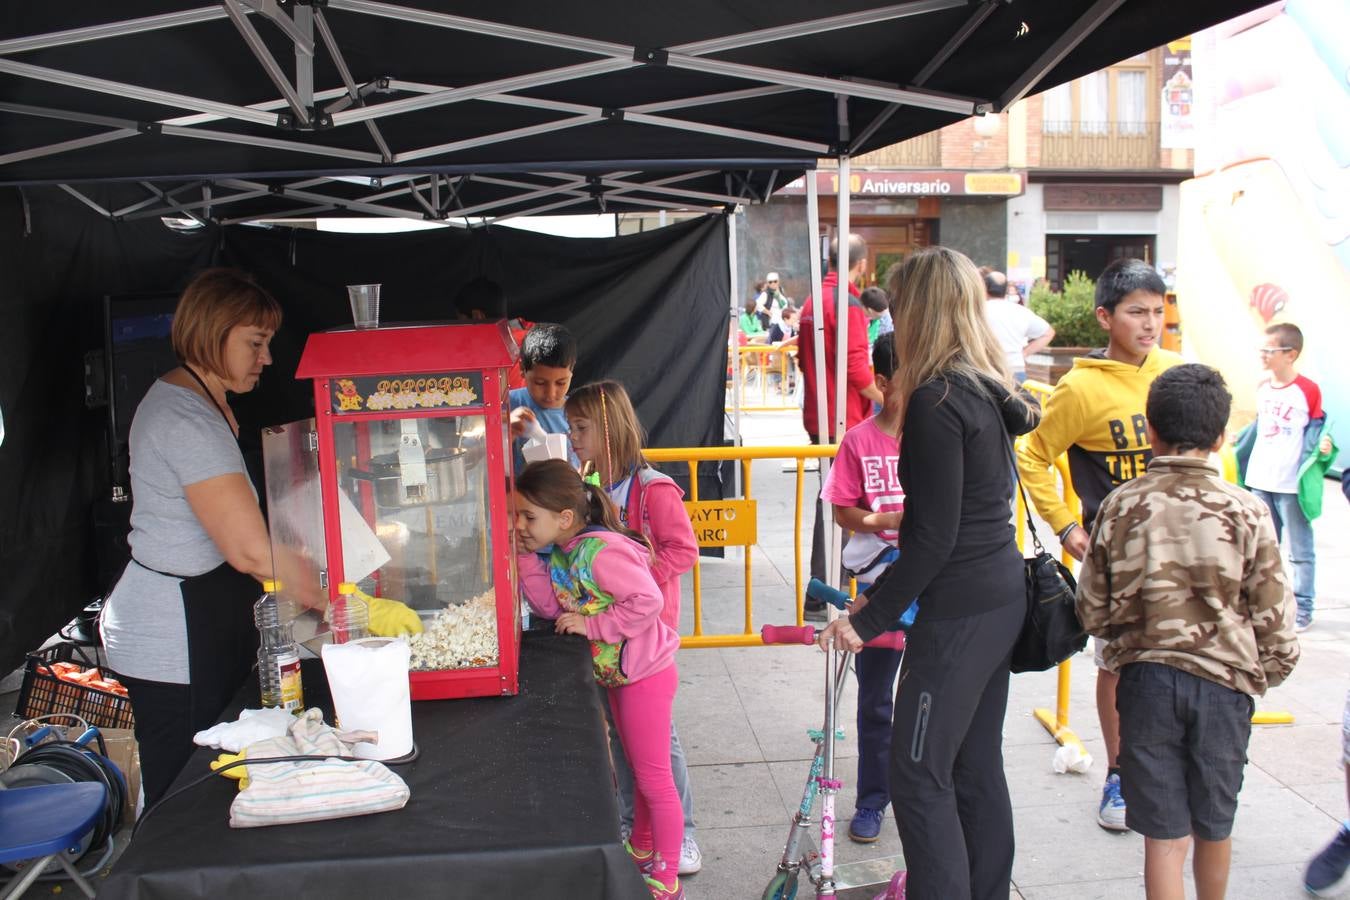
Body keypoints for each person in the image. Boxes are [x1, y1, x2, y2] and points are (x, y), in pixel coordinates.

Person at [97, 269, 421, 806]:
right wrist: (338, 600)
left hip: (205, 611)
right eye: (255, 342)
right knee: (183, 787)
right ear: (210, 331)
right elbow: (248, 548)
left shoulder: (207, 403)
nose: (266, 358)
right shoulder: (185, 419)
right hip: (172, 630)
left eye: (267, 343)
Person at [819, 247, 1040, 900]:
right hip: (995, 597)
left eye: (896, 305)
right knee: (973, 769)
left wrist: (872, 617)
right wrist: (878, 606)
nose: (889, 319)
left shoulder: (938, 400)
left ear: (919, 312)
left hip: (962, 610)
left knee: (918, 775)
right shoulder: (981, 388)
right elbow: (943, 524)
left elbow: (933, 535)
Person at [1076, 363, 1299, 900]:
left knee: (1163, 836)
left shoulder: (1120, 504)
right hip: (1225, 689)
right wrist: (1258, 674)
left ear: (1150, 430)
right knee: (1214, 826)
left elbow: (1092, 611)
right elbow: (1275, 621)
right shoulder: (1247, 510)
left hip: (1146, 684)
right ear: (1222, 436)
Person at [1015, 257, 1181, 832]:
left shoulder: (1176, 374)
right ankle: (1118, 772)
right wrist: (1065, 525)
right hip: (1116, 560)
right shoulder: (1080, 389)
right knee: (1116, 665)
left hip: (1182, 556)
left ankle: (1166, 766)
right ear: (1105, 317)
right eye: (1137, 311)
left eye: (1158, 312)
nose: (1150, 323)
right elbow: (1032, 453)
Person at [514, 459, 685, 899]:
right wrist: (525, 557)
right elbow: (553, 610)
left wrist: (594, 626)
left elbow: (646, 600)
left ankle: (667, 877)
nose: (520, 524)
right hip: (617, 675)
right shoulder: (562, 553)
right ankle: (643, 849)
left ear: (564, 518)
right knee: (633, 768)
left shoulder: (601, 553)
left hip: (644, 675)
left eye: (528, 517)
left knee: (654, 779)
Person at [565, 381, 703, 875]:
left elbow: (683, 550)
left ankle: (681, 835)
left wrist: (640, 576)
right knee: (624, 739)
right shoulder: (592, 483)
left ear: (607, 428)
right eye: (570, 427)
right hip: (608, 642)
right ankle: (635, 828)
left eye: (580, 427)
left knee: (659, 744)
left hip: (644, 640)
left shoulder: (654, 487)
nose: (573, 436)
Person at [818, 335, 907, 844]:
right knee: (876, 700)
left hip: (935, 588)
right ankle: (872, 800)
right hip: (878, 588)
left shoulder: (937, 434)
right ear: (883, 382)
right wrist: (887, 518)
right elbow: (842, 510)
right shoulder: (859, 440)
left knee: (930, 699)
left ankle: (923, 795)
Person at [798, 233, 885, 615]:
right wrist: (890, 401)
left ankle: (822, 589)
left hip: (822, 414)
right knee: (841, 505)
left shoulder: (812, 300)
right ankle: (823, 591)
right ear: (861, 264)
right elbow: (857, 370)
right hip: (844, 418)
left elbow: (807, 361)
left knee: (833, 501)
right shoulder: (845, 303)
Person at [1233, 322, 1337, 632]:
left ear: (1290, 354)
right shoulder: (1263, 387)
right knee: (1265, 549)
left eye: (1269, 350)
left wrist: (1323, 447)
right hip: (1260, 481)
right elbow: (1259, 429)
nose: (1263, 356)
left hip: (1292, 485)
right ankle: (1268, 605)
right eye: (1261, 350)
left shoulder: (1308, 390)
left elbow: (1318, 431)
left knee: (1300, 551)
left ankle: (1304, 606)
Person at [508, 322, 579, 473]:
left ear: (572, 371)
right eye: (540, 383)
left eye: (561, 383)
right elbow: (474, 452)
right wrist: (504, 430)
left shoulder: (580, 415)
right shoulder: (508, 404)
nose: (550, 393)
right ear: (522, 369)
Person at [452, 276, 530, 389]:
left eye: (460, 320)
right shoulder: (532, 336)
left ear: (477, 316)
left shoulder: (480, 353)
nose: (459, 328)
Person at [982, 269, 1054, 383]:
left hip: (986, 370)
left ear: (984, 288)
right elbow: (1049, 333)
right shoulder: (1021, 311)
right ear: (1005, 290)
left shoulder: (978, 311)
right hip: (1015, 369)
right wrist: (1025, 352)